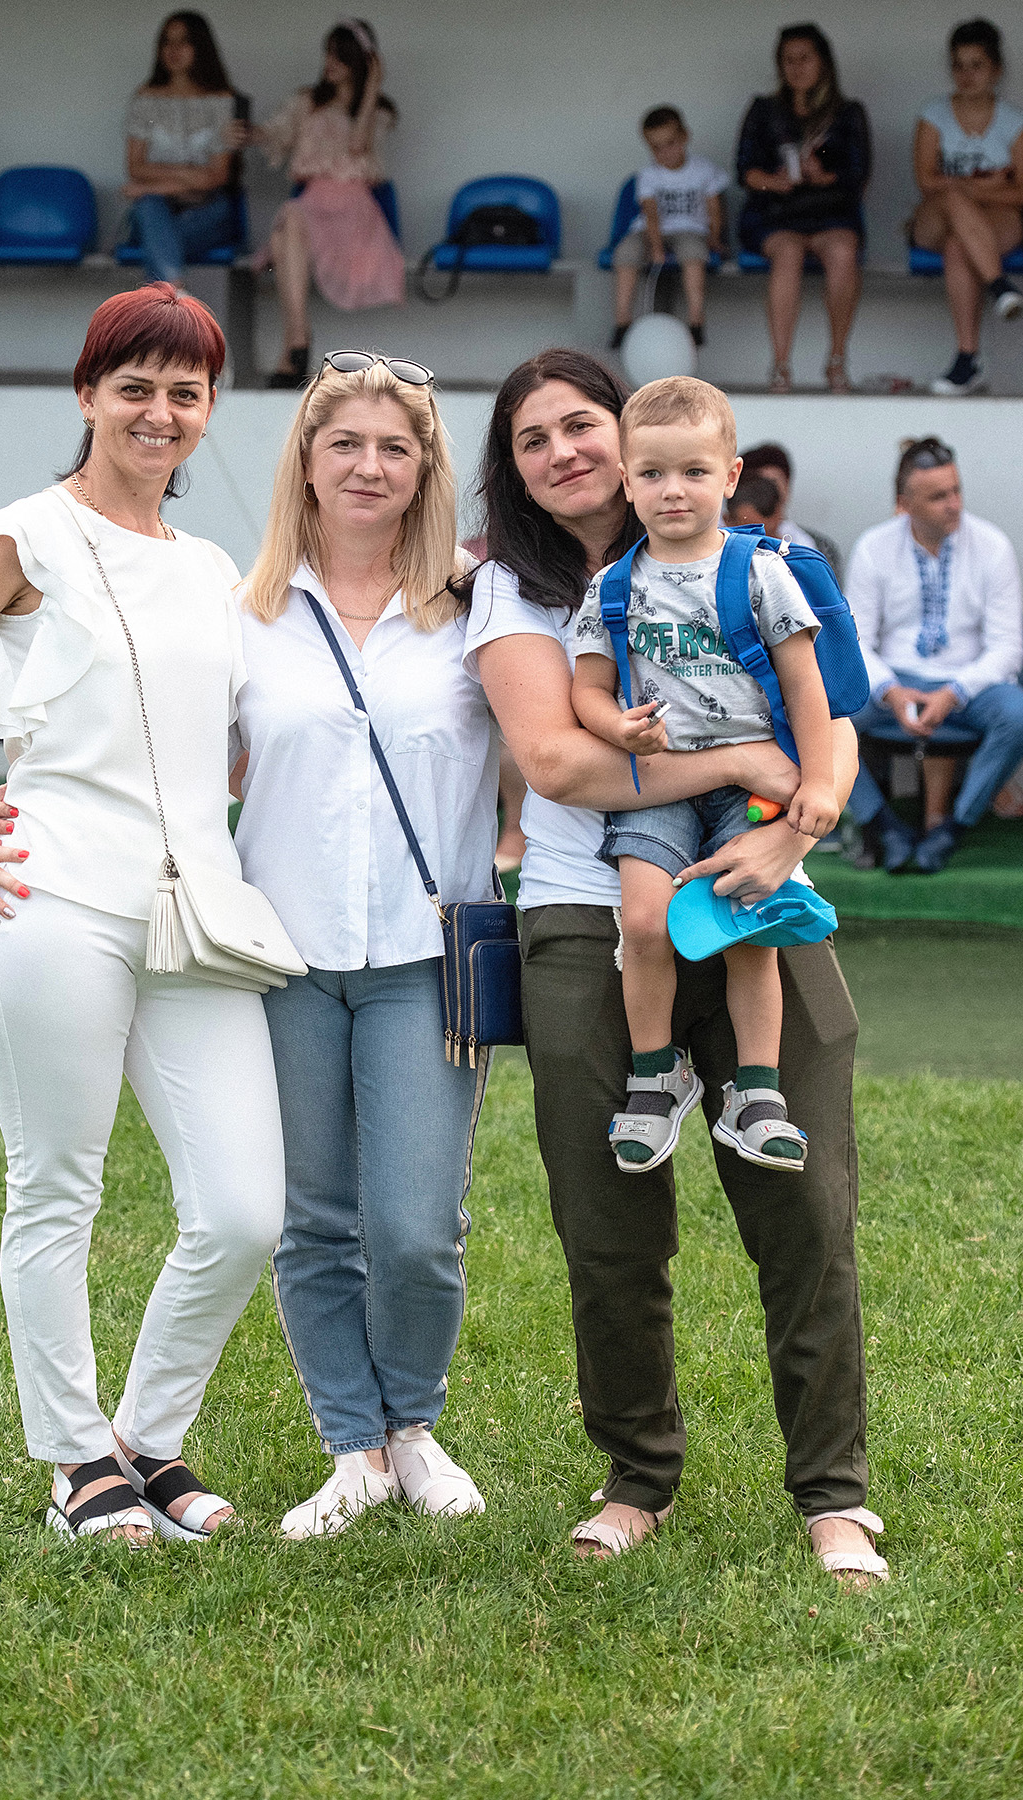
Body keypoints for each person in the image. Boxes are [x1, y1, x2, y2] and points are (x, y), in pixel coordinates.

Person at [0, 285, 286, 1545]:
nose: (159, 412)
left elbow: (223, 742)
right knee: (56, 1192)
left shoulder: (211, 568)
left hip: (195, 913)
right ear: (87, 394)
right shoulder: (21, 537)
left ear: (209, 410)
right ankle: (75, 1458)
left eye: (185, 392)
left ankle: (146, 1438)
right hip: (48, 900)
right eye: (134, 386)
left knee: (244, 1212)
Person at [459, 347, 888, 1583]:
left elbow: (829, 730)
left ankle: (832, 1494)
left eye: (578, 425)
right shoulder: (517, 593)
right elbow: (560, 764)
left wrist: (788, 831)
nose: (563, 453)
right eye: (531, 439)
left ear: (644, 436)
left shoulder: (766, 565)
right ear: (512, 468)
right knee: (608, 1226)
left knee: (804, 1210)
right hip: (586, 917)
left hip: (753, 894)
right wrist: (740, 766)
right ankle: (636, 1476)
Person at [235, 352, 496, 1536]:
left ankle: (413, 1427)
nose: (369, 465)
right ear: (306, 458)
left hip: (424, 962)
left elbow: (548, 746)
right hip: (279, 959)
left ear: (424, 470)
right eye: (344, 443)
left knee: (413, 1229)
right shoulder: (244, 616)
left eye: (395, 447)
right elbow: (176, 769)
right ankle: (353, 1447)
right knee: (314, 1221)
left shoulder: (475, 610)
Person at [570, 377, 835, 1176]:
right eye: (652, 473)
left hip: (753, 787)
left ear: (730, 474)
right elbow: (587, 686)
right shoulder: (614, 585)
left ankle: (757, 1094)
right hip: (662, 781)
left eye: (693, 471)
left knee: (748, 932)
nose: (673, 490)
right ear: (626, 480)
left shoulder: (760, 572)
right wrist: (615, 726)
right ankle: (657, 1075)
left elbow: (806, 686)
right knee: (644, 921)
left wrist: (820, 784)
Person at [845, 435, 1023, 873]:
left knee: (1017, 715)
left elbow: (1008, 647)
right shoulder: (873, 547)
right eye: (939, 496)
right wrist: (890, 691)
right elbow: (854, 640)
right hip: (891, 681)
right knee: (816, 714)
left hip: (969, 684)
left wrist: (954, 692)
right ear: (905, 504)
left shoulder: (993, 546)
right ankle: (881, 824)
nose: (954, 504)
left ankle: (952, 828)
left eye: (956, 490)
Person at [244, 21, 405, 387]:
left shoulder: (379, 111)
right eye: (328, 53)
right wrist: (252, 134)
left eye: (341, 55)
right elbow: (276, 134)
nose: (331, 62)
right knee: (290, 217)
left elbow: (359, 146)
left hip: (354, 209)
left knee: (286, 228)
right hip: (312, 202)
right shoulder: (307, 102)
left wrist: (372, 88)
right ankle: (298, 336)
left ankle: (293, 349)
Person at [736, 24, 871, 394]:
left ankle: (837, 361)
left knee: (843, 252)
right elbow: (745, 172)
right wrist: (774, 181)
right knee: (789, 253)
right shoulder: (764, 111)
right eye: (788, 59)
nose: (796, 67)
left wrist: (824, 175)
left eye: (805, 58)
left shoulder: (846, 114)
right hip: (776, 214)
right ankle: (781, 366)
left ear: (823, 62)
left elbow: (858, 174)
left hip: (830, 212)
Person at [911, 18, 1023, 397]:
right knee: (953, 201)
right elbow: (927, 182)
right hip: (936, 218)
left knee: (960, 244)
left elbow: (1022, 192)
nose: (967, 75)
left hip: (992, 221)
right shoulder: (934, 115)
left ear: (996, 69)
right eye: (959, 65)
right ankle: (998, 284)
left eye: (977, 65)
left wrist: (967, 187)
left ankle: (967, 359)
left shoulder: (1014, 122)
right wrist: (988, 184)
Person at [123, 11, 248, 286]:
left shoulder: (222, 99)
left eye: (183, 42)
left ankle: (169, 299)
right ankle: (177, 294)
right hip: (158, 211)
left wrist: (156, 184)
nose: (173, 50)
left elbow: (217, 176)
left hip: (207, 212)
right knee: (149, 209)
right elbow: (136, 168)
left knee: (157, 234)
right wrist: (191, 176)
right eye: (167, 42)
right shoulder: (145, 98)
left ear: (200, 47)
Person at [611, 106, 727, 351]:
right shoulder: (648, 175)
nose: (665, 152)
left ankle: (696, 320)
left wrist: (715, 237)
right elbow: (651, 214)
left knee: (693, 252)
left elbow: (715, 209)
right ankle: (622, 321)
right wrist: (656, 247)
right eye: (656, 147)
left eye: (670, 143)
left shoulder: (704, 170)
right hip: (649, 231)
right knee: (625, 252)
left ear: (684, 136)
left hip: (690, 230)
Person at [738, 440, 843, 577]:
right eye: (758, 484)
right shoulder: (715, 540)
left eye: (773, 483)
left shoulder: (820, 547)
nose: (766, 492)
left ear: (787, 486)